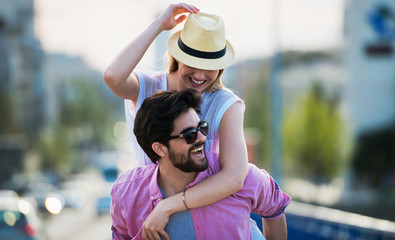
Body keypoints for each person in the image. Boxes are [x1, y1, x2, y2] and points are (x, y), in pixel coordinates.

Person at [104, 3, 255, 238]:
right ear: (177, 56)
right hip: (152, 210)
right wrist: (159, 26)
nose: (199, 74)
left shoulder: (226, 104)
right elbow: (113, 76)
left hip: (211, 212)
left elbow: (235, 178)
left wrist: (169, 205)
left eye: (210, 66)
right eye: (193, 62)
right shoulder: (147, 86)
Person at [111, 89, 291, 240]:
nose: (202, 138)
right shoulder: (127, 193)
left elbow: (275, 206)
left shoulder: (240, 174)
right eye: (190, 135)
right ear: (160, 149)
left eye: (202, 127)